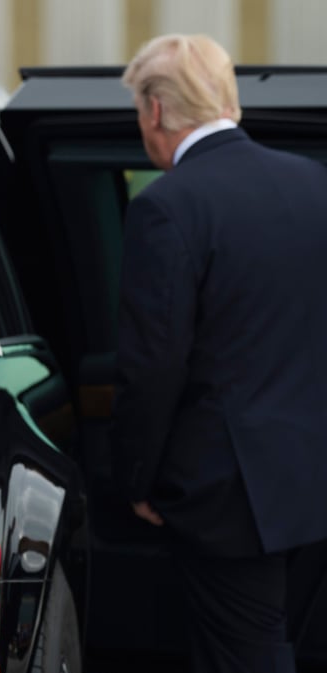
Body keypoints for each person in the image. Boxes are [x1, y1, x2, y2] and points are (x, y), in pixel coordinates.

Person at [113, 33, 327, 673]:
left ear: (154, 111)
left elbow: (153, 366)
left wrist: (136, 479)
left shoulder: (167, 206)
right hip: (313, 478)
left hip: (229, 494)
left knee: (246, 658)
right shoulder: (314, 184)